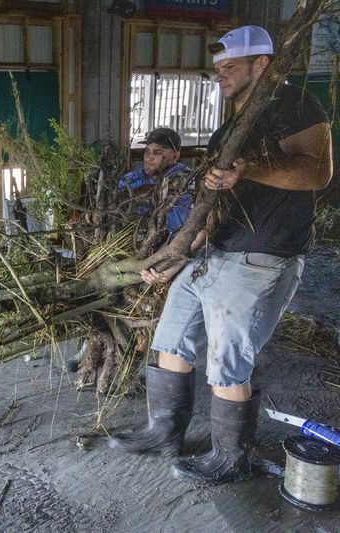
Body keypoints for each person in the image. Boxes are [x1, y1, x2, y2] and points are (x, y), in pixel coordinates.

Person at [109, 25, 333, 486]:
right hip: (215, 251)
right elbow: (212, 209)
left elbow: (317, 171)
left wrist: (253, 169)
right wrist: (178, 255)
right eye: (218, 69)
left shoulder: (295, 105)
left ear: (262, 64)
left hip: (261, 257)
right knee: (169, 339)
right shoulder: (229, 127)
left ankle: (230, 458)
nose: (221, 76)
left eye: (230, 67)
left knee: (228, 360)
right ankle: (163, 432)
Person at [119, 127, 193, 238]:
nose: (149, 158)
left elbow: (182, 219)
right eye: (147, 151)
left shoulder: (188, 180)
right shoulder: (134, 178)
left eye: (157, 153)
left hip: (172, 244)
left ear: (175, 156)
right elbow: (115, 193)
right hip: (136, 242)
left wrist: (151, 193)